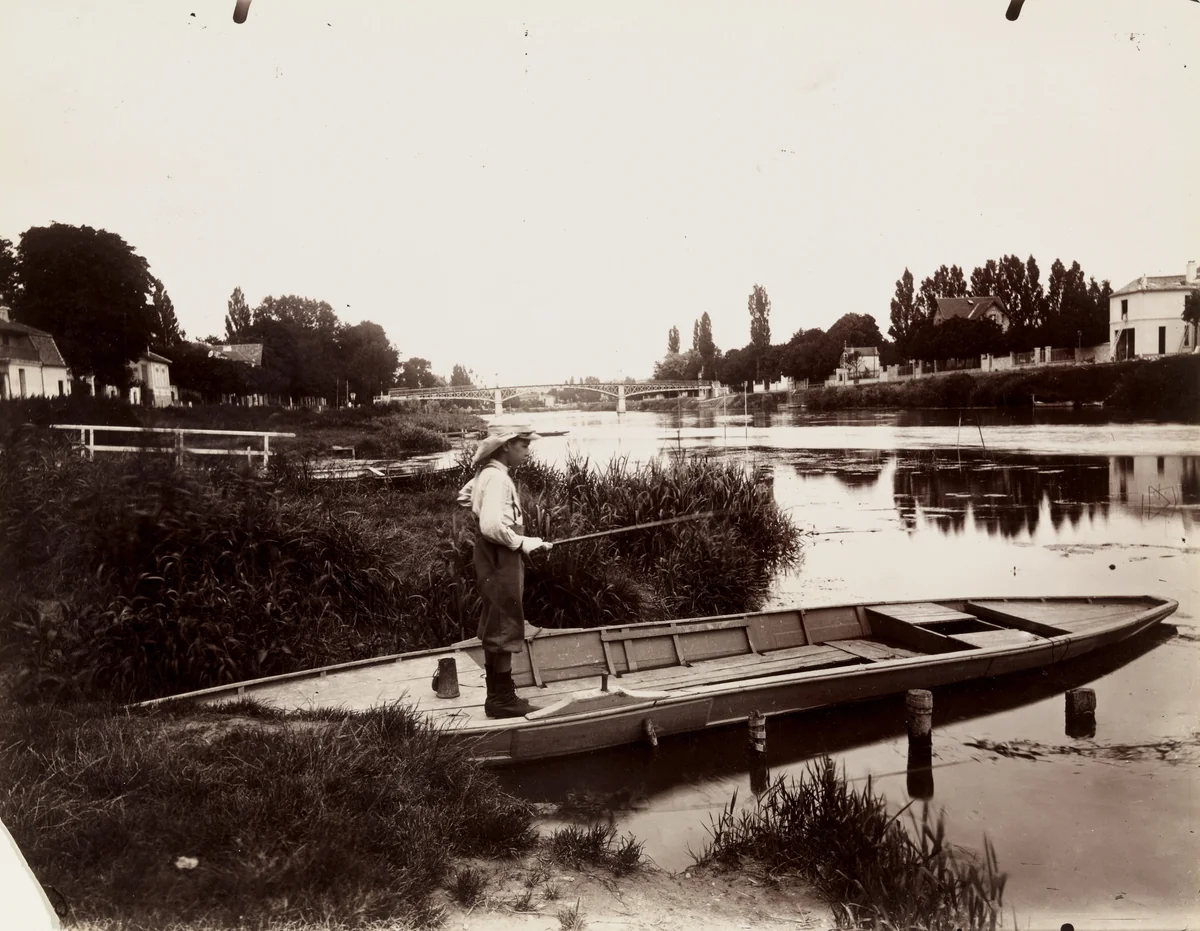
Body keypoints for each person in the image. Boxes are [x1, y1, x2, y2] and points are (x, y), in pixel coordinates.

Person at [457, 422, 552, 717]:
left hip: (492, 554)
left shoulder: (488, 473)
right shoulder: (496, 478)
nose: (528, 451)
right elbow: (492, 526)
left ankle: (497, 695)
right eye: (523, 445)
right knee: (506, 619)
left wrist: (527, 541)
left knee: (496, 617)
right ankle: (501, 699)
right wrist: (523, 542)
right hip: (500, 556)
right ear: (507, 445)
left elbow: (464, 496)